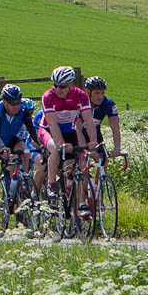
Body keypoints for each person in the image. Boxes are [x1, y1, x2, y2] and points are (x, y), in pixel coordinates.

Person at [41, 66, 96, 198]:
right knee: (55, 149)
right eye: (56, 85)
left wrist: (93, 142)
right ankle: (52, 183)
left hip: (70, 130)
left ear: (71, 84)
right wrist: (61, 144)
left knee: (80, 159)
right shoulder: (48, 97)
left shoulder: (80, 96)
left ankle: (76, 200)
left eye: (62, 86)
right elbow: (53, 124)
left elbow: (88, 120)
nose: (58, 89)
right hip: (48, 130)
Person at [0, 84, 38, 214]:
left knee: (24, 150)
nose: (16, 106)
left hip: (10, 139)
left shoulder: (23, 110)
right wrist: (2, 148)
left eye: (18, 102)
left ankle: (23, 179)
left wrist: (40, 144)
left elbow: (31, 129)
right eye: (13, 104)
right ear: (5, 103)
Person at [83, 76, 123, 161]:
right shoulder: (80, 103)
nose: (100, 97)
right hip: (78, 134)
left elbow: (115, 127)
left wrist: (117, 148)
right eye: (97, 93)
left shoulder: (108, 103)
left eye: (102, 93)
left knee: (103, 161)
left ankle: (101, 174)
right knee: (82, 160)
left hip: (96, 134)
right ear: (88, 92)